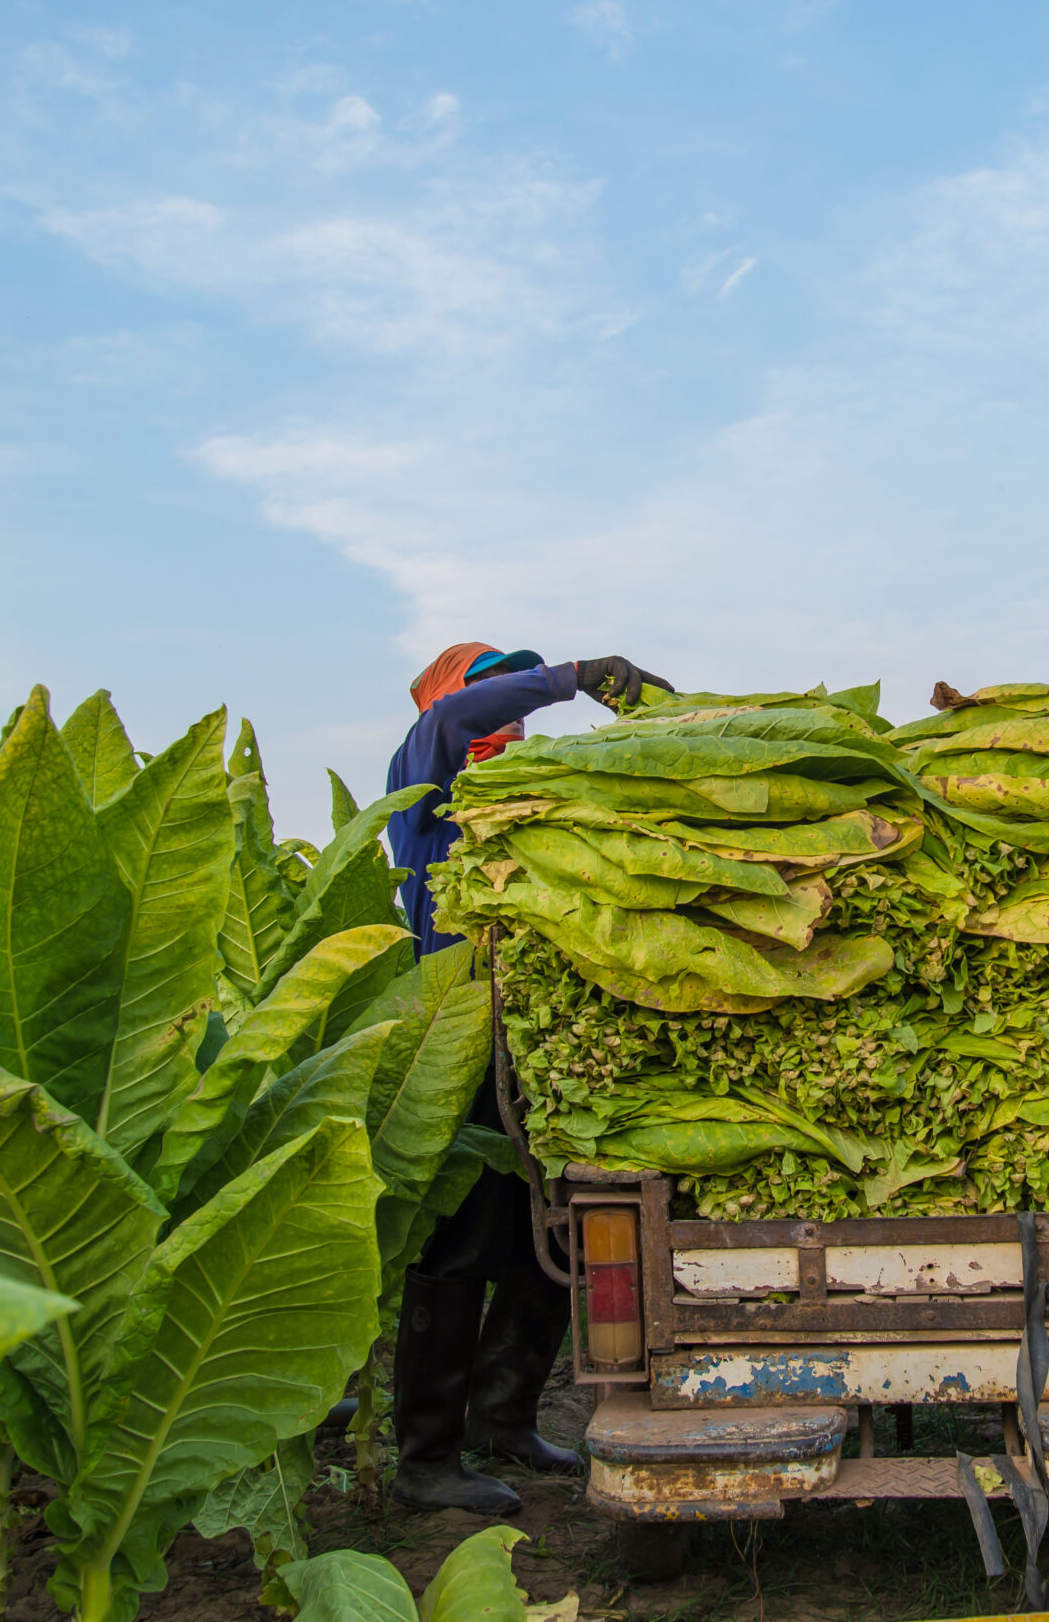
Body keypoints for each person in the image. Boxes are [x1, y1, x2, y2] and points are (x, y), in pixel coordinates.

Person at [384, 642, 670, 1514]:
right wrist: (575, 678)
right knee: (461, 1242)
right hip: (461, 1042)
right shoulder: (429, 774)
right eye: (492, 693)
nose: (506, 714)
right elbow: (452, 717)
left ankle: (504, 1422)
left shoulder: (542, 793)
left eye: (515, 696)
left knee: (553, 1240)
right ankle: (425, 1460)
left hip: (542, 1048)